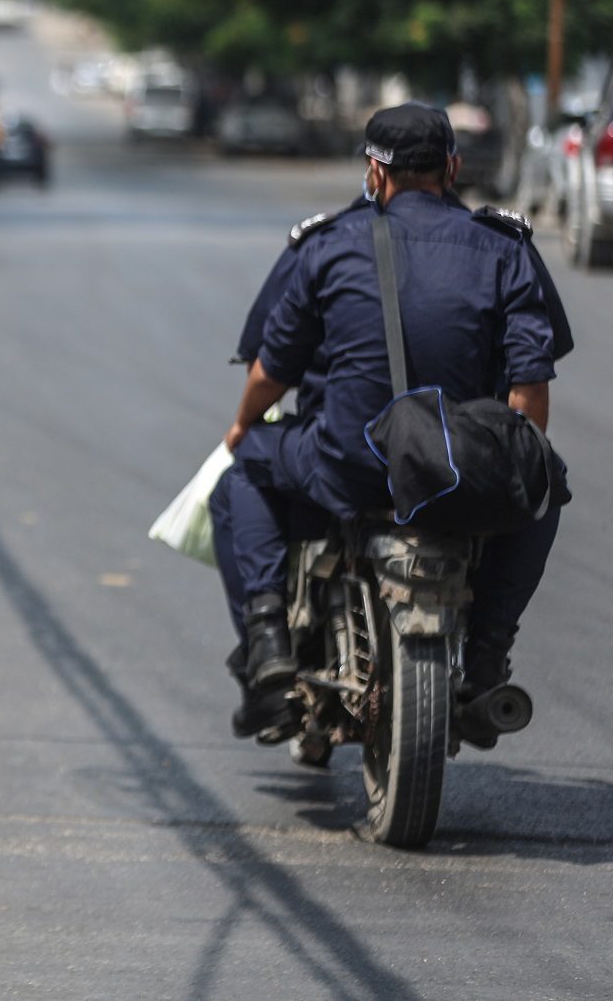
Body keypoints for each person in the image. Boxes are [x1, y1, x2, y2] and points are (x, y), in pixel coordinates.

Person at [210, 102, 569, 745]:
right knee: (543, 483)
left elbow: (270, 373)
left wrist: (242, 426)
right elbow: (529, 392)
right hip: (458, 473)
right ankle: (487, 654)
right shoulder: (503, 248)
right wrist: (514, 464)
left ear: (374, 175)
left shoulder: (327, 246)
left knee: (244, 475)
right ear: (453, 169)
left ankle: (267, 643)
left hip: (347, 466)